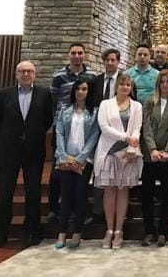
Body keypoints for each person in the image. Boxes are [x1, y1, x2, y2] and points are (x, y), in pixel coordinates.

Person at [0, 61, 53, 249]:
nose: (26, 74)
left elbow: (47, 120)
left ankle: (32, 231)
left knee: (33, 191)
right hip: (8, 150)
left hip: (33, 149)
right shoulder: (4, 94)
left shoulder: (44, 94)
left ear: (35, 74)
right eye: (22, 71)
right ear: (16, 74)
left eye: (29, 71)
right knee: (5, 191)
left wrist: (33, 133)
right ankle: (0, 233)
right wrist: (11, 137)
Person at [93, 75, 143, 249]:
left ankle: (119, 231)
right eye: (122, 84)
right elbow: (104, 127)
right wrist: (125, 137)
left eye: (128, 85)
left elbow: (137, 128)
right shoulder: (105, 104)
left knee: (123, 191)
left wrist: (131, 147)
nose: (125, 87)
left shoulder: (137, 106)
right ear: (116, 86)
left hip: (127, 154)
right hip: (108, 151)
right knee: (109, 191)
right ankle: (109, 230)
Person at [48, 43, 96, 223]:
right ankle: (54, 208)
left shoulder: (91, 75)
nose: (77, 56)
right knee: (57, 172)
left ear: (84, 55)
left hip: (83, 125)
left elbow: (92, 99)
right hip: (63, 125)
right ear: (69, 55)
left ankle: (78, 211)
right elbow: (53, 100)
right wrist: (56, 122)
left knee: (80, 172)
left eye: (80, 53)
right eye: (73, 53)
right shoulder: (58, 75)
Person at [90, 48, 136, 225]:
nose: (110, 63)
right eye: (107, 60)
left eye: (113, 60)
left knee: (122, 185)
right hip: (102, 135)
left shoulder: (127, 81)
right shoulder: (95, 81)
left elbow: (133, 113)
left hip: (124, 141)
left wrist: (129, 140)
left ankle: (121, 217)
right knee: (102, 175)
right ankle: (98, 213)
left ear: (118, 61)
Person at [54, 78, 100, 249]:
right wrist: (64, 156)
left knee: (80, 196)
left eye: (84, 89)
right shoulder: (64, 111)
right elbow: (59, 134)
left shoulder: (94, 113)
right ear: (73, 91)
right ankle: (61, 233)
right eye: (78, 89)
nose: (81, 92)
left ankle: (77, 233)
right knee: (65, 197)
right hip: (66, 159)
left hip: (84, 161)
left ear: (88, 92)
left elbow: (94, 135)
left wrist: (80, 158)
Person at [140, 69, 168, 247]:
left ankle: (163, 232)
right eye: (162, 82)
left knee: (167, 195)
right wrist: (152, 149)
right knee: (147, 195)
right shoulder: (150, 101)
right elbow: (146, 126)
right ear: (158, 83)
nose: (165, 85)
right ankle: (149, 231)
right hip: (150, 155)